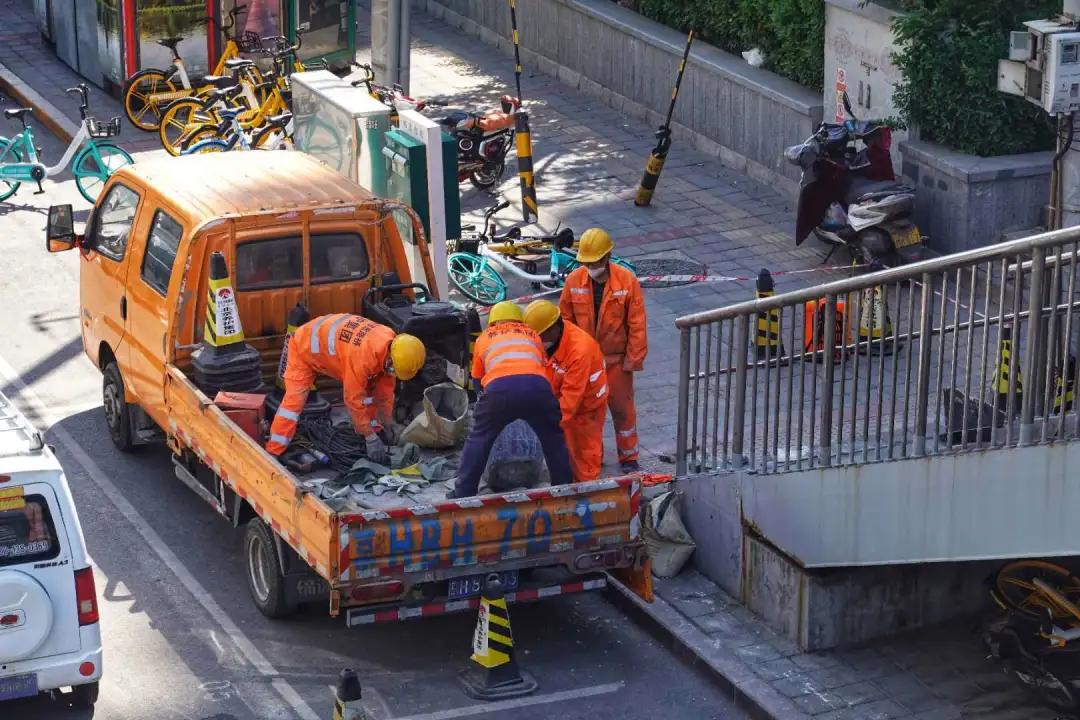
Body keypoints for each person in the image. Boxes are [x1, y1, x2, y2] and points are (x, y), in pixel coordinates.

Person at [449, 301, 573, 498]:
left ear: (492, 322)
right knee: (553, 438)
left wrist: (485, 405)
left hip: (499, 390)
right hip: (537, 388)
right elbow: (541, 366)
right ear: (520, 320)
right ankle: (563, 487)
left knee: (478, 439)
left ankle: (463, 492)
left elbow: (477, 378)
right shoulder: (532, 335)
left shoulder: (484, 338)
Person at [266, 314, 425, 464]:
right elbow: (353, 400)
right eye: (394, 369)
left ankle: (375, 428)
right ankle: (274, 450)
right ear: (391, 359)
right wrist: (369, 437)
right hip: (302, 347)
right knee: (293, 405)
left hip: (326, 346)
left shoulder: (393, 347)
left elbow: (384, 393)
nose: (393, 373)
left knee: (372, 391)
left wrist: (387, 422)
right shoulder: (363, 357)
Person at [560, 228, 647, 473]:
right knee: (588, 415)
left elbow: (637, 322)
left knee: (623, 410)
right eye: (586, 262)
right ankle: (591, 457)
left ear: (607, 257)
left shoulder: (626, 282)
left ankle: (629, 457)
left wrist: (633, 359)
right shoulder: (574, 282)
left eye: (594, 261)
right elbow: (565, 323)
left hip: (616, 361)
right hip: (586, 363)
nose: (590, 266)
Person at [524, 300, 608, 482]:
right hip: (564, 399)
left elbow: (569, 404)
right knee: (569, 448)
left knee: (585, 456)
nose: (536, 341)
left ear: (553, 329)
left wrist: (545, 429)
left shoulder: (580, 351)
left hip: (588, 407)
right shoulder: (550, 339)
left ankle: (588, 495)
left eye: (539, 336)